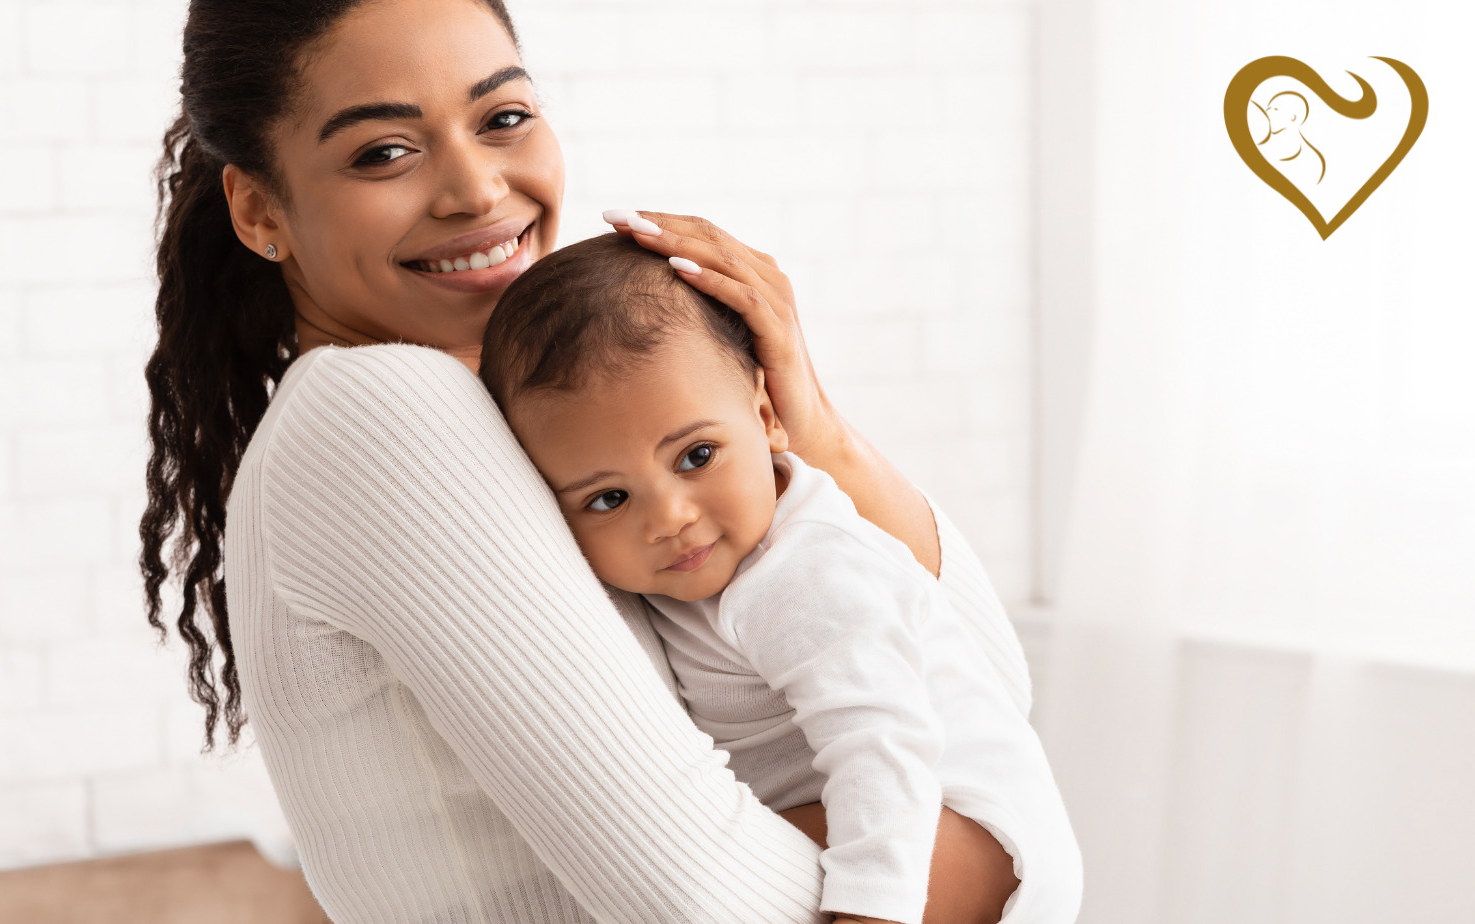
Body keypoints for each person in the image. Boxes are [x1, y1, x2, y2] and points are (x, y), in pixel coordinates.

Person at [139, 0, 1037, 921]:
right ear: (257, 209)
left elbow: (984, 699)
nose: (478, 191)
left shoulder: (542, 422)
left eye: (504, 118)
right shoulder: (381, 413)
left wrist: (811, 430)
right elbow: (708, 903)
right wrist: (985, 848)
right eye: (384, 152)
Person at [478, 234, 1082, 924]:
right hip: (860, 808)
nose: (669, 518)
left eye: (696, 456)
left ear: (766, 419)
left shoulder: (807, 570)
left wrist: (873, 913)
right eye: (608, 499)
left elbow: (881, 743)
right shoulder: (687, 572)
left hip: (962, 826)